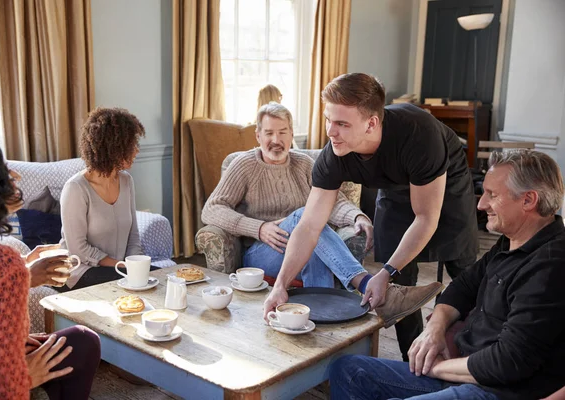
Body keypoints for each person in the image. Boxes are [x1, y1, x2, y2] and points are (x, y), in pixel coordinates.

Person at [263, 73, 478, 360]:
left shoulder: (419, 133)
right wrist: (280, 286)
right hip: (392, 186)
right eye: (328, 120)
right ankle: (412, 360)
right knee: (400, 283)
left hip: (444, 183)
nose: (330, 131)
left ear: (371, 123)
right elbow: (310, 225)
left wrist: (386, 270)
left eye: (341, 123)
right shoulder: (333, 156)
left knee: (462, 267)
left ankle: (474, 354)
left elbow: (426, 217)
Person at [329, 149, 565, 400]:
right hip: (464, 369)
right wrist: (435, 329)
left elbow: (507, 363)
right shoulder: (512, 241)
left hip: (498, 391)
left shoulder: (551, 266)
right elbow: (462, 287)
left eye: (492, 195)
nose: (481, 204)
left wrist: (437, 368)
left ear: (528, 200)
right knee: (349, 370)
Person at [204, 102, 442, 326]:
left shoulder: (304, 164)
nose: (276, 140)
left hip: (301, 250)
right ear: (258, 136)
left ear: (291, 134)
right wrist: (257, 228)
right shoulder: (244, 165)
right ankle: (366, 284)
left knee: (311, 232)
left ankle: (323, 321)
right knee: (305, 219)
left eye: (283, 132)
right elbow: (212, 208)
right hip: (262, 256)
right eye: (268, 133)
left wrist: (357, 217)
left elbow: (334, 201)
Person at [0, 135, 101, 400]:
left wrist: (24, 271)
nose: (14, 176)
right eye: (3, 174)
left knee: (79, 341)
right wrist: (24, 376)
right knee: (82, 342)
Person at [59, 107, 146, 290]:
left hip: (119, 269)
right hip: (80, 272)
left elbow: (134, 237)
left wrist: (137, 265)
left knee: (160, 278)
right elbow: (78, 249)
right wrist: (121, 266)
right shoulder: (75, 189)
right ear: (112, 148)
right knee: (135, 284)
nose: (136, 151)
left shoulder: (126, 181)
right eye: (130, 145)